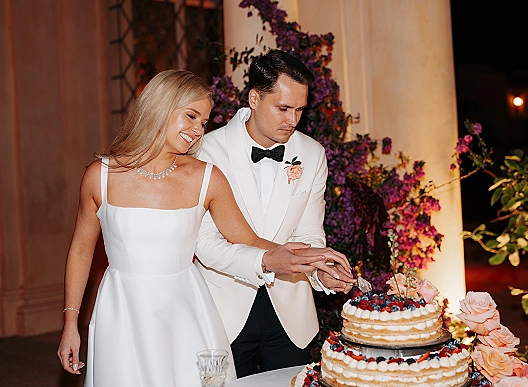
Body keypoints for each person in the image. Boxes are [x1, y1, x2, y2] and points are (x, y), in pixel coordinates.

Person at [56, 69, 351, 387]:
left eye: (203, 122)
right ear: (161, 108)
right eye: (191, 116)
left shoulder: (206, 176)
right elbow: (81, 250)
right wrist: (71, 322)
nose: (198, 130)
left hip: (186, 312)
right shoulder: (99, 175)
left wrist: (311, 260)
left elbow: (248, 239)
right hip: (122, 311)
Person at [195, 49, 356, 377]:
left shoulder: (312, 154)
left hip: (290, 316)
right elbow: (204, 243)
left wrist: (320, 273)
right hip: (223, 312)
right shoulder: (207, 151)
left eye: (299, 109)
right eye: (282, 108)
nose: (292, 120)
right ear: (254, 98)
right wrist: (266, 260)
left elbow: (310, 235)